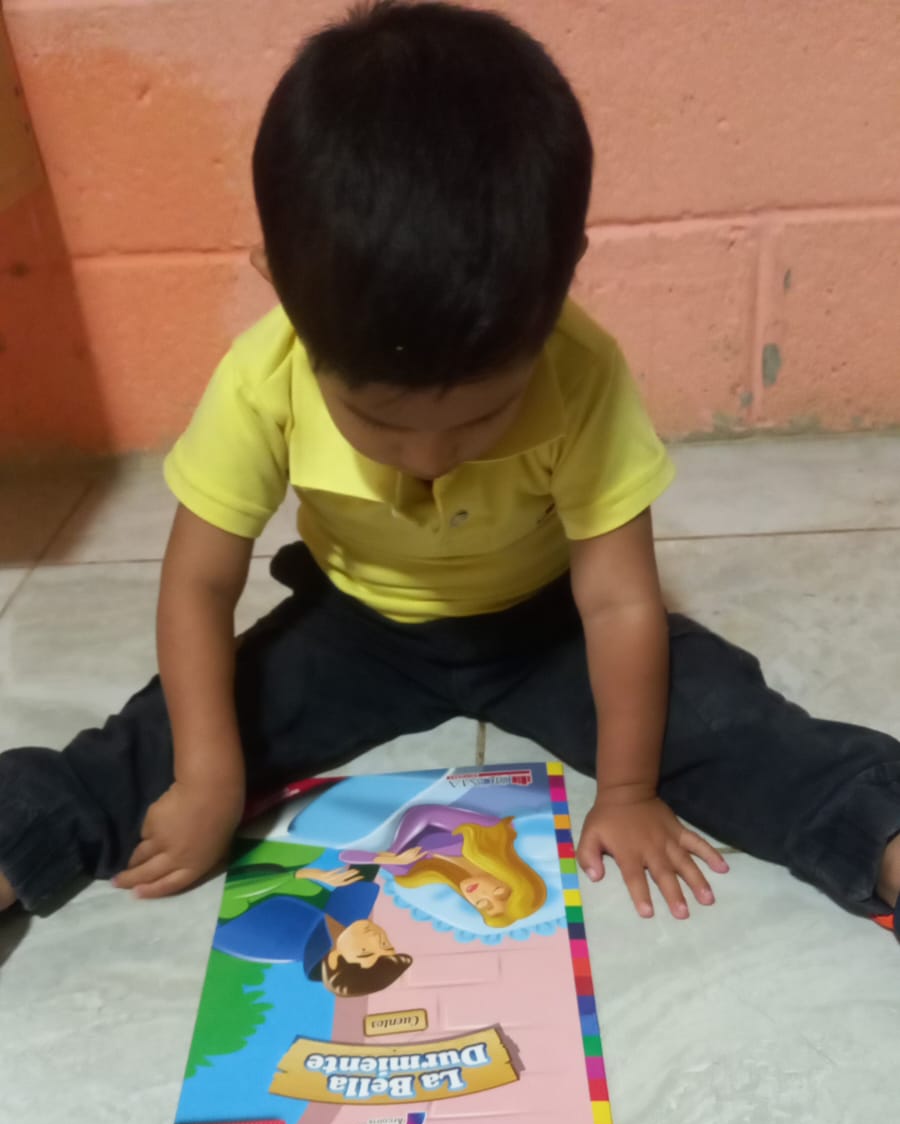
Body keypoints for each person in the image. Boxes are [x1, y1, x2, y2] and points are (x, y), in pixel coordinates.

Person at [0, 0, 898, 947]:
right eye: (380, 422)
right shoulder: (265, 375)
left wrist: (630, 790)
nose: (431, 459)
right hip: (355, 628)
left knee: (726, 720)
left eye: (479, 418)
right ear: (283, 289)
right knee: (167, 735)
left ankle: (879, 829)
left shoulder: (582, 370)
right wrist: (209, 776)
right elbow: (198, 584)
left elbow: (618, 601)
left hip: (546, 627)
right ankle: (19, 841)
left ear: (563, 279)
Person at [213, 837, 412, 997]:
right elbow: (363, 871)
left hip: (231, 868)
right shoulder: (350, 926)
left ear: (334, 960)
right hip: (278, 862)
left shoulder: (273, 942)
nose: (375, 938)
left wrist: (300, 875)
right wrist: (389, 857)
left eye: (365, 951)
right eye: (385, 944)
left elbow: (222, 897)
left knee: (303, 847)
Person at [340, 804, 547, 928]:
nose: (481, 896)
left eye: (483, 905)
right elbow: (424, 814)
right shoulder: (486, 834)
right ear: (511, 875)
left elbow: (347, 855)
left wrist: (394, 860)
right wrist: (396, 850)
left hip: (354, 817)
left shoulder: (417, 874)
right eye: (500, 893)